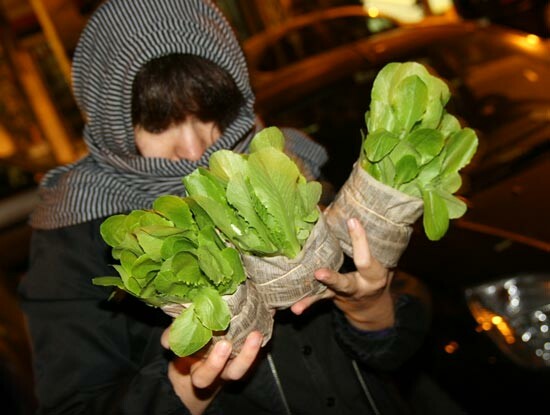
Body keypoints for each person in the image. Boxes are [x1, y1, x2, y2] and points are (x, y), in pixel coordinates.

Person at [18, 0, 430, 414]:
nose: (197, 147)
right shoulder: (76, 230)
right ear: (113, 122)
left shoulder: (282, 163)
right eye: (160, 124)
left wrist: (370, 311)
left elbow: (395, 354)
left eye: (211, 113)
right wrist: (182, 386)